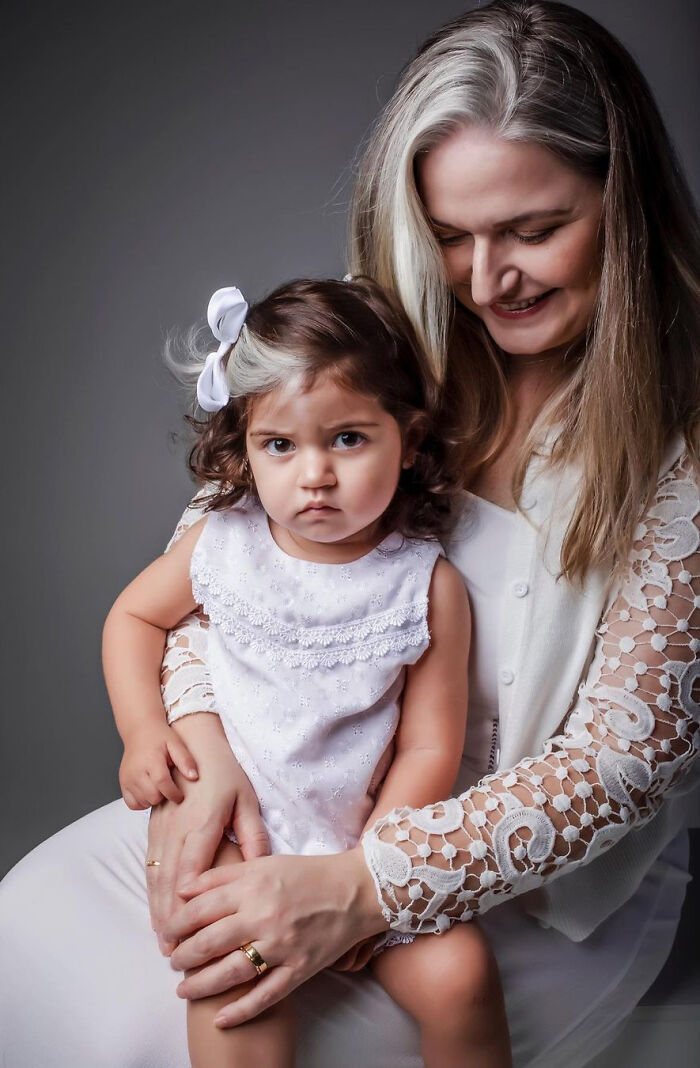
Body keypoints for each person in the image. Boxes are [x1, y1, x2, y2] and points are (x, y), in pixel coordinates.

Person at [1, 1, 699, 1065]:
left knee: (146, 1035)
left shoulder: (680, 434)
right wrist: (201, 755)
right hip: (285, 784)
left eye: (533, 228)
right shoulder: (385, 340)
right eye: (450, 235)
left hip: (516, 881)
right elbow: (222, 568)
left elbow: (617, 768)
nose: (483, 279)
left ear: (626, 200)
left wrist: (360, 887)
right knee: (26, 929)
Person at [102, 275, 511, 1068]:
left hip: (359, 840)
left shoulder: (426, 584)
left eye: (348, 439)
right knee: (230, 985)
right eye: (279, 446)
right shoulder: (225, 542)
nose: (313, 475)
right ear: (246, 444)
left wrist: (370, 874)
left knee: (462, 976)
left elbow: (431, 746)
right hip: (236, 826)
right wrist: (143, 729)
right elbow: (132, 618)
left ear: (409, 437)